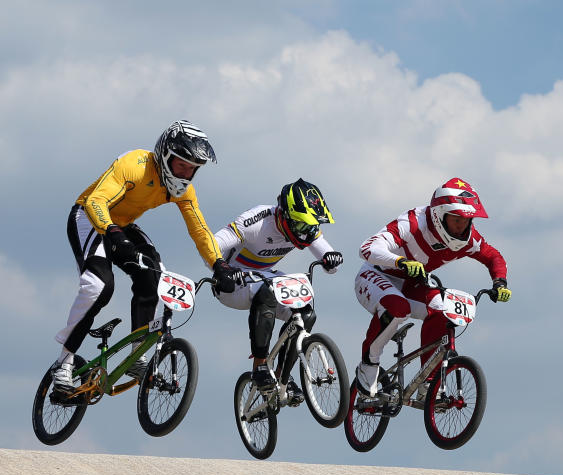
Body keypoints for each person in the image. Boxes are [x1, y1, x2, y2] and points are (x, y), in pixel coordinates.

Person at [51, 120, 242, 394]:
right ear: (165, 156)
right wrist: (112, 233)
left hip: (123, 224)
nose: (186, 174)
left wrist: (219, 264)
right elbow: (96, 201)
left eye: (192, 169)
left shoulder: (185, 191)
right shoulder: (135, 165)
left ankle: (136, 357)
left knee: (155, 277)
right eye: (181, 165)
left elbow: (199, 229)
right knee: (99, 287)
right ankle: (64, 363)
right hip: (89, 218)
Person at [353, 177, 511, 397]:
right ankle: (368, 365)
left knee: (443, 307)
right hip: (375, 275)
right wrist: (399, 261)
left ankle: (428, 381)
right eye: (456, 220)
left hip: (412, 284)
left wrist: (499, 281)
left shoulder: (468, 239)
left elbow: (492, 256)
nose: (462, 226)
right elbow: (367, 248)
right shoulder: (413, 222)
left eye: (467, 220)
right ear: (439, 215)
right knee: (398, 308)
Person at [213, 178, 342, 398]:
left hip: (264, 276)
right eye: (301, 226)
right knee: (269, 291)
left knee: (305, 310)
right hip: (231, 281)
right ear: (284, 215)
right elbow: (212, 243)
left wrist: (331, 259)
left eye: (310, 227)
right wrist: (222, 268)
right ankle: (260, 366)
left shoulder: (305, 226)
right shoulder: (257, 220)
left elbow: (329, 264)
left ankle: (282, 378)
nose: (305, 233)